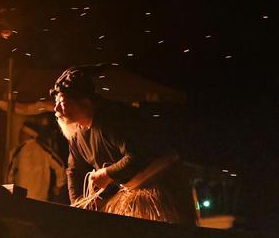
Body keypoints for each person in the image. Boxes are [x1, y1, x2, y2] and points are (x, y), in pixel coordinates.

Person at [52, 66, 197, 225]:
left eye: (63, 102)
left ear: (85, 102)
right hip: (132, 191)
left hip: (162, 188)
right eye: (56, 102)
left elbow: (138, 156)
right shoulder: (77, 135)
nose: (56, 109)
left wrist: (106, 174)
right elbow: (74, 171)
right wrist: (78, 206)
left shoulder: (112, 118)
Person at [7, 122, 66, 202]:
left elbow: (9, 174)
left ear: (27, 134)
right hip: (41, 198)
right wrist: (59, 185)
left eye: (21, 132)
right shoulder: (44, 150)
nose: (19, 135)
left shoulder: (17, 151)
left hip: (21, 198)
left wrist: (9, 192)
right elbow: (60, 166)